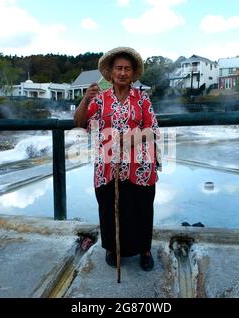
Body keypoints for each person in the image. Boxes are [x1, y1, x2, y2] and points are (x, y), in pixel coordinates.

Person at [74, 47, 160, 271]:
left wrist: (126, 140)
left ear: (133, 74)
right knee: (110, 209)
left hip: (139, 166)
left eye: (127, 69)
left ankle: (145, 250)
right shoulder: (100, 99)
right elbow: (80, 123)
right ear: (110, 73)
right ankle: (113, 248)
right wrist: (85, 100)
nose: (123, 73)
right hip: (107, 165)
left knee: (141, 208)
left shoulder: (142, 99)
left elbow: (152, 130)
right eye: (119, 68)